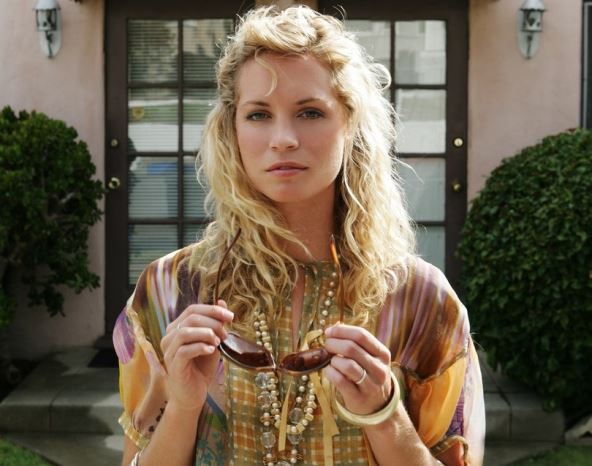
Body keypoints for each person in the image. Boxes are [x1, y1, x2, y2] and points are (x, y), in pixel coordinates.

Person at [113, 5, 485, 466]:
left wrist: (385, 415)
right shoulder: (170, 290)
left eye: (310, 112)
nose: (284, 138)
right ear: (232, 130)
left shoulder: (421, 301)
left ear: (350, 125)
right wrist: (183, 406)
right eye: (258, 114)